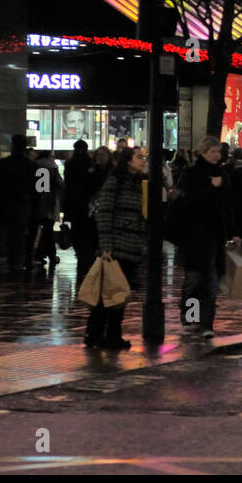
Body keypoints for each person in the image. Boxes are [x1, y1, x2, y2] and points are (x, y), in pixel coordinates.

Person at [177, 136, 238, 339]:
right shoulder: (192, 174)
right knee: (194, 280)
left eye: (218, 152)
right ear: (203, 152)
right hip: (194, 237)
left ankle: (206, 324)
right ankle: (191, 316)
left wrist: (233, 232)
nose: (216, 155)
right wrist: (212, 188)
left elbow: (228, 206)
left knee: (211, 281)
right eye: (212, 151)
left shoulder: (223, 175)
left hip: (214, 236)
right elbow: (189, 202)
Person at [88, 146, 148, 349]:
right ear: (128, 161)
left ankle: (109, 335)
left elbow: (143, 216)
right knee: (110, 293)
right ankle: (99, 334)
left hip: (132, 247)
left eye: (144, 157)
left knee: (120, 294)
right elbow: (103, 213)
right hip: (116, 246)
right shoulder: (116, 182)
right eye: (139, 157)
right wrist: (106, 245)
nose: (143, 160)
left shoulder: (141, 184)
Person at [63, 140, 100, 282]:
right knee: (87, 232)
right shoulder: (90, 164)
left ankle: (81, 255)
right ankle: (86, 256)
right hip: (87, 203)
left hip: (74, 203)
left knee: (77, 231)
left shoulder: (70, 163)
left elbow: (67, 184)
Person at [1, 135, 37, 272]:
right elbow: (39, 188)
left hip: (8, 202)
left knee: (11, 233)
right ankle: (22, 260)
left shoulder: (4, 163)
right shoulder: (32, 165)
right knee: (21, 233)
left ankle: (12, 260)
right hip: (24, 203)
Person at [30, 149, 63, 269]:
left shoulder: (35, 165)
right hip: (49, 202)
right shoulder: (52, 167)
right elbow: (60, 183)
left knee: (37, 231)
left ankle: (38, 254)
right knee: (48, 230)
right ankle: (49, 255)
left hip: (36, 202)